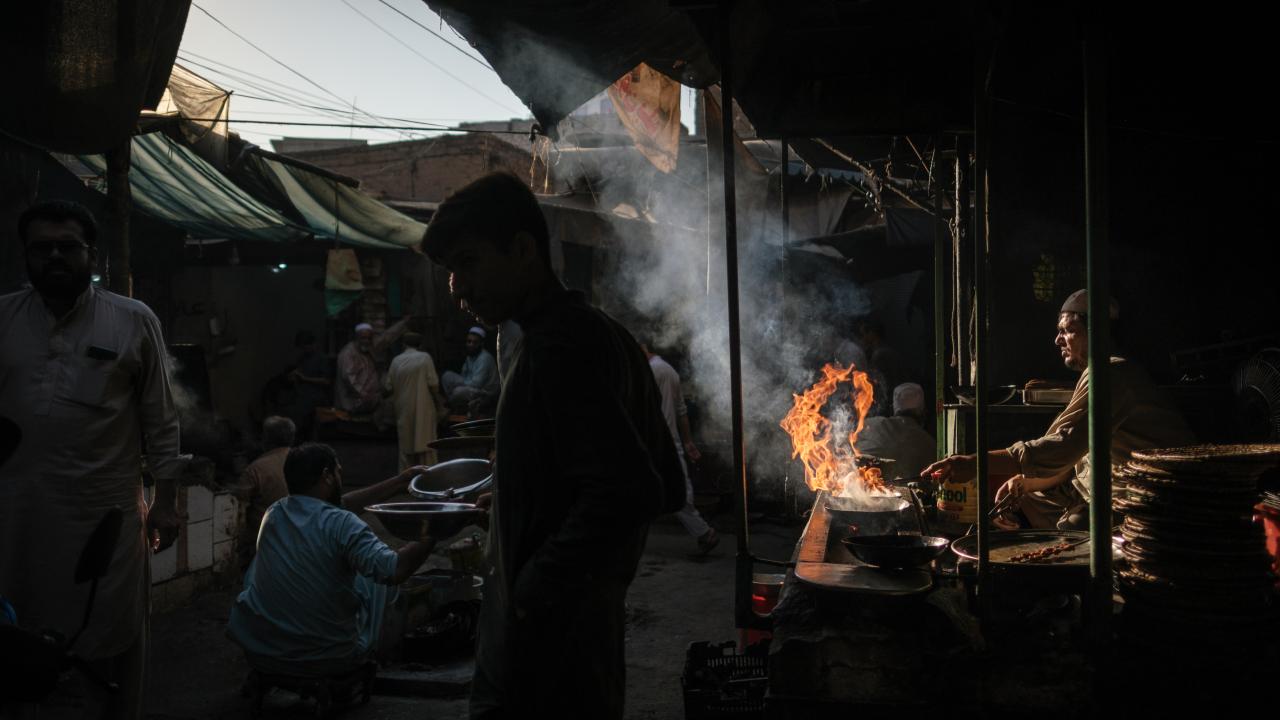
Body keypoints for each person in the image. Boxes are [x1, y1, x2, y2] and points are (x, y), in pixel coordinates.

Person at [420, 172, 685, 719]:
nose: (456, 289)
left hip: (548, 653)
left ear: (521, 250)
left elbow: (632, 490)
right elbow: (660, 479)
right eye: (450, 272)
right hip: (582, 641)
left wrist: (535, 586)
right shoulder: (604, 335)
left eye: (467, 263)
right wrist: (519, 503)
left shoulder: (553, 347)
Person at [0, 199, 184, 719]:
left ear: (91, 254)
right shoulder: (3, 317)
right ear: (26, 256)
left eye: (67, 247)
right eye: (42, 248)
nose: (55, 257)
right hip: (17, 515)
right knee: (18, 636)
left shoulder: (132, 320)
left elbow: (162, 420)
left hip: (103, 518)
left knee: (108, 638)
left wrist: (167, 503)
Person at [923, 290, 1195, 530]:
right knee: (1026, 496)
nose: (1058, 339)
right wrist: (1025, 482)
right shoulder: (1100, 372)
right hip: (1097, 489)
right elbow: (1076, 459)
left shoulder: (1112, 374)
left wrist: (974, 464)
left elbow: (1062, 448)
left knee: (1073, 524)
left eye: (1068, 330)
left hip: (1142, 496)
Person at [227, 443, 434, 678]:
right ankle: (377, 649)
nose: (340, 478)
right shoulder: (343, 523)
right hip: (329, 656)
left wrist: (399, 481)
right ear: (326, 476)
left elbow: (337, 505)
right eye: (338, 472)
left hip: (261, 651)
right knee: (375, 580)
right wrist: (436, 527)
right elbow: (396, 569)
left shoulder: (275, 513)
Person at [641, 341, 719, 555]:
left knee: (676, 492)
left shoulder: (651, 371)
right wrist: (687, 442)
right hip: (666, 441)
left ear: (643, 347)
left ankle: (705, 533)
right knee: (667, 489)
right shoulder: (670, 371)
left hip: (656, 442)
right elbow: (681, 412)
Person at [235, 416, 295, 571]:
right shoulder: (304, 460)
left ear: (265, 439)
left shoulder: (255, 469)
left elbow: (237, 512)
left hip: (266, 545)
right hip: (300, 539)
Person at [383, 332, 446, 470]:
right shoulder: (425, 358)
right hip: (424, 409)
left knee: (406, 447)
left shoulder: (396, 361)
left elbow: (388, 386)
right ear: (420, 345)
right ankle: (430, 478)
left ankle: (405, 481)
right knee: (427, 446)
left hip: (403, 409)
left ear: (404, 345)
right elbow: (434, 384)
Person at [854, 383, 937, 480]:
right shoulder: (930, 444)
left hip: (860, 487)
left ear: (892, 408)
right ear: (923, 413)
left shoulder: (869, 424)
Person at [440, 326, 499, 415]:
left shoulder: (485, 358)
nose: (471, 345)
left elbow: (477, 384)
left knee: (458, 391)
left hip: (485, 392)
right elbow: (463, 375)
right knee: (446, 376)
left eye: (475, 342)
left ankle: (452, 403)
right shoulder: (470, 356)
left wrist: (457, 385)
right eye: (469, 342)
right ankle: (453, 402)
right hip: (470, 386)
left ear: (481, 344)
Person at [287, 330, 331, 441]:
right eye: (301, 347)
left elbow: (326, 381)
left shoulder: (321, 359)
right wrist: (293, 377)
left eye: (305, 347)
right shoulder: (302, 358)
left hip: (316, 400)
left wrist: (305, 378)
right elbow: (299, 374)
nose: (304, 350)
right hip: (302, 398)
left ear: (313, 344)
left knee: (313, 433)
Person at [335, 323, 381, 415]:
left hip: (366, 404)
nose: (366, 341)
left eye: (369, 338)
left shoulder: (367, 350)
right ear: (356, 337)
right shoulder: (348, 353)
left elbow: (385, 339)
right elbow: (349, 379)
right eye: (363, 338)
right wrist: (365, 395)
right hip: (352, 404)